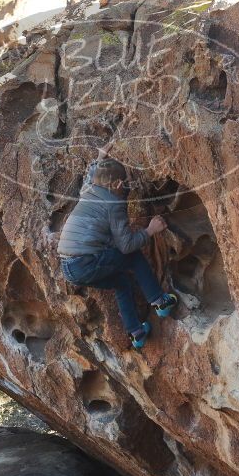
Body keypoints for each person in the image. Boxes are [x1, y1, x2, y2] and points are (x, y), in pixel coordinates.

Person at [57, 142, 178, 349]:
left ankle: (136, 333)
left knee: (121, 282)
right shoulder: (114, 204)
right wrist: (150, 230)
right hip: (85, 261)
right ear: (115, 186)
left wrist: (100, 156)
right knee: (133, 257)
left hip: (68, 268)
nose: (126, 186)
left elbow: (91, 175)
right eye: (124, 182)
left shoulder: (89, 190)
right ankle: (160, 302)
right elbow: (126, 245)